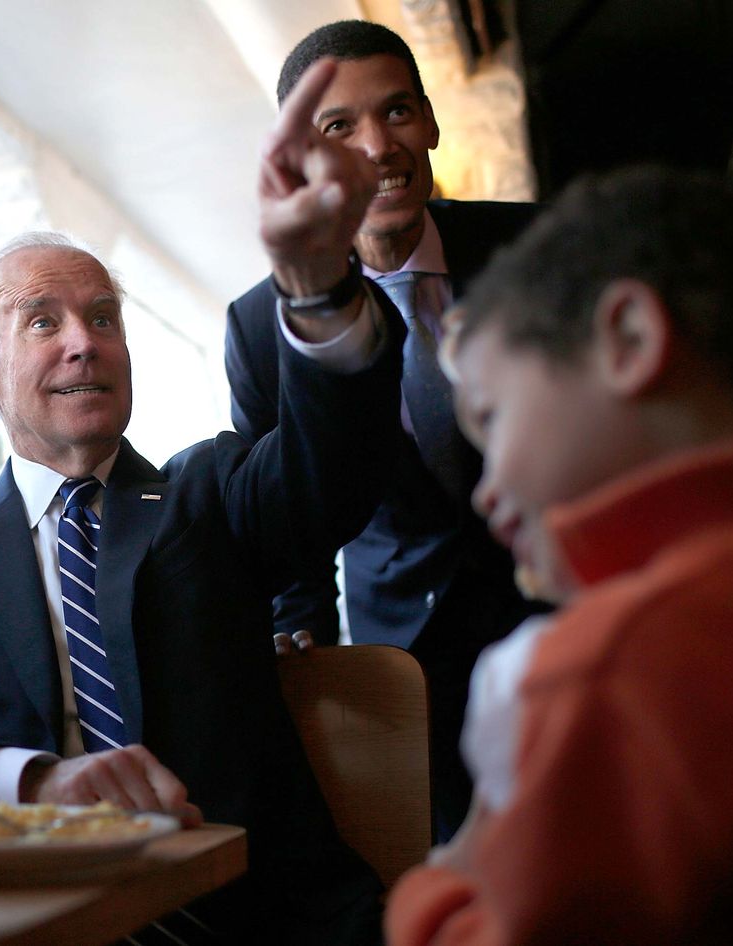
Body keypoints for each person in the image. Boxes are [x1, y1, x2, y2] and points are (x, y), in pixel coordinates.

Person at [0, 58, 393, 945]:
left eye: (103, 317)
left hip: (253, 920)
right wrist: (22, 780)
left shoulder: (208, 492)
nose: (84, 344)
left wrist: (319, 295)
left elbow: (335, 470)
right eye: (43, 321)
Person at [385, 165, 733, 944]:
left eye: (492, 417)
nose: (487, 490)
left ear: (629, 339)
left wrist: (445, 877)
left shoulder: (613, 667)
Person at [223, 19, 545, 840]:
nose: (380, 145)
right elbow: (284, 516)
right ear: (302, 156)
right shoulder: (263, 325)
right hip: (402, 663)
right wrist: (302, 644)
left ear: (432, 122)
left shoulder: (537, 249)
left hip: (556, 624)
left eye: (397, 112)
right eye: (340, 127)